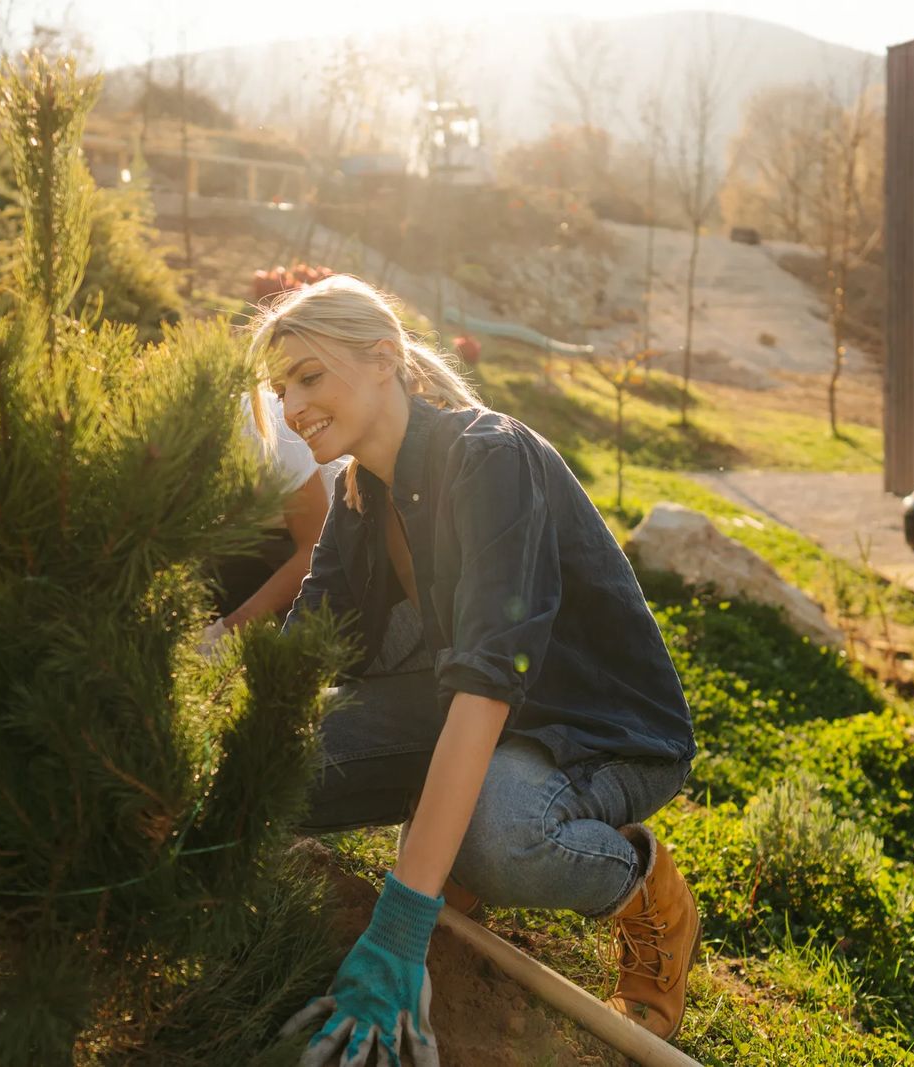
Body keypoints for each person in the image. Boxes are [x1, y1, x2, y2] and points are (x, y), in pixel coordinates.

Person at [264, 275, 698, 1066]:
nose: (291, 408)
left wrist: (401, 922)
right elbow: (304, 662)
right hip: (472, 716)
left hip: (594, 729)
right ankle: (452, 841)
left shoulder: (491, 458)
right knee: (279, 774)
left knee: (496, 837)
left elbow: (489, 680)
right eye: (280, 388)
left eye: (309, 376)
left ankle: (639, 883)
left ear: (385, 357)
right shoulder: (357, 502)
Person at [200, 387, 339, 650]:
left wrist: (226, 632)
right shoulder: (160, 450)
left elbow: (315, 550)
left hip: (334, 538)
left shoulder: (264, 430)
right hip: (266, 534)